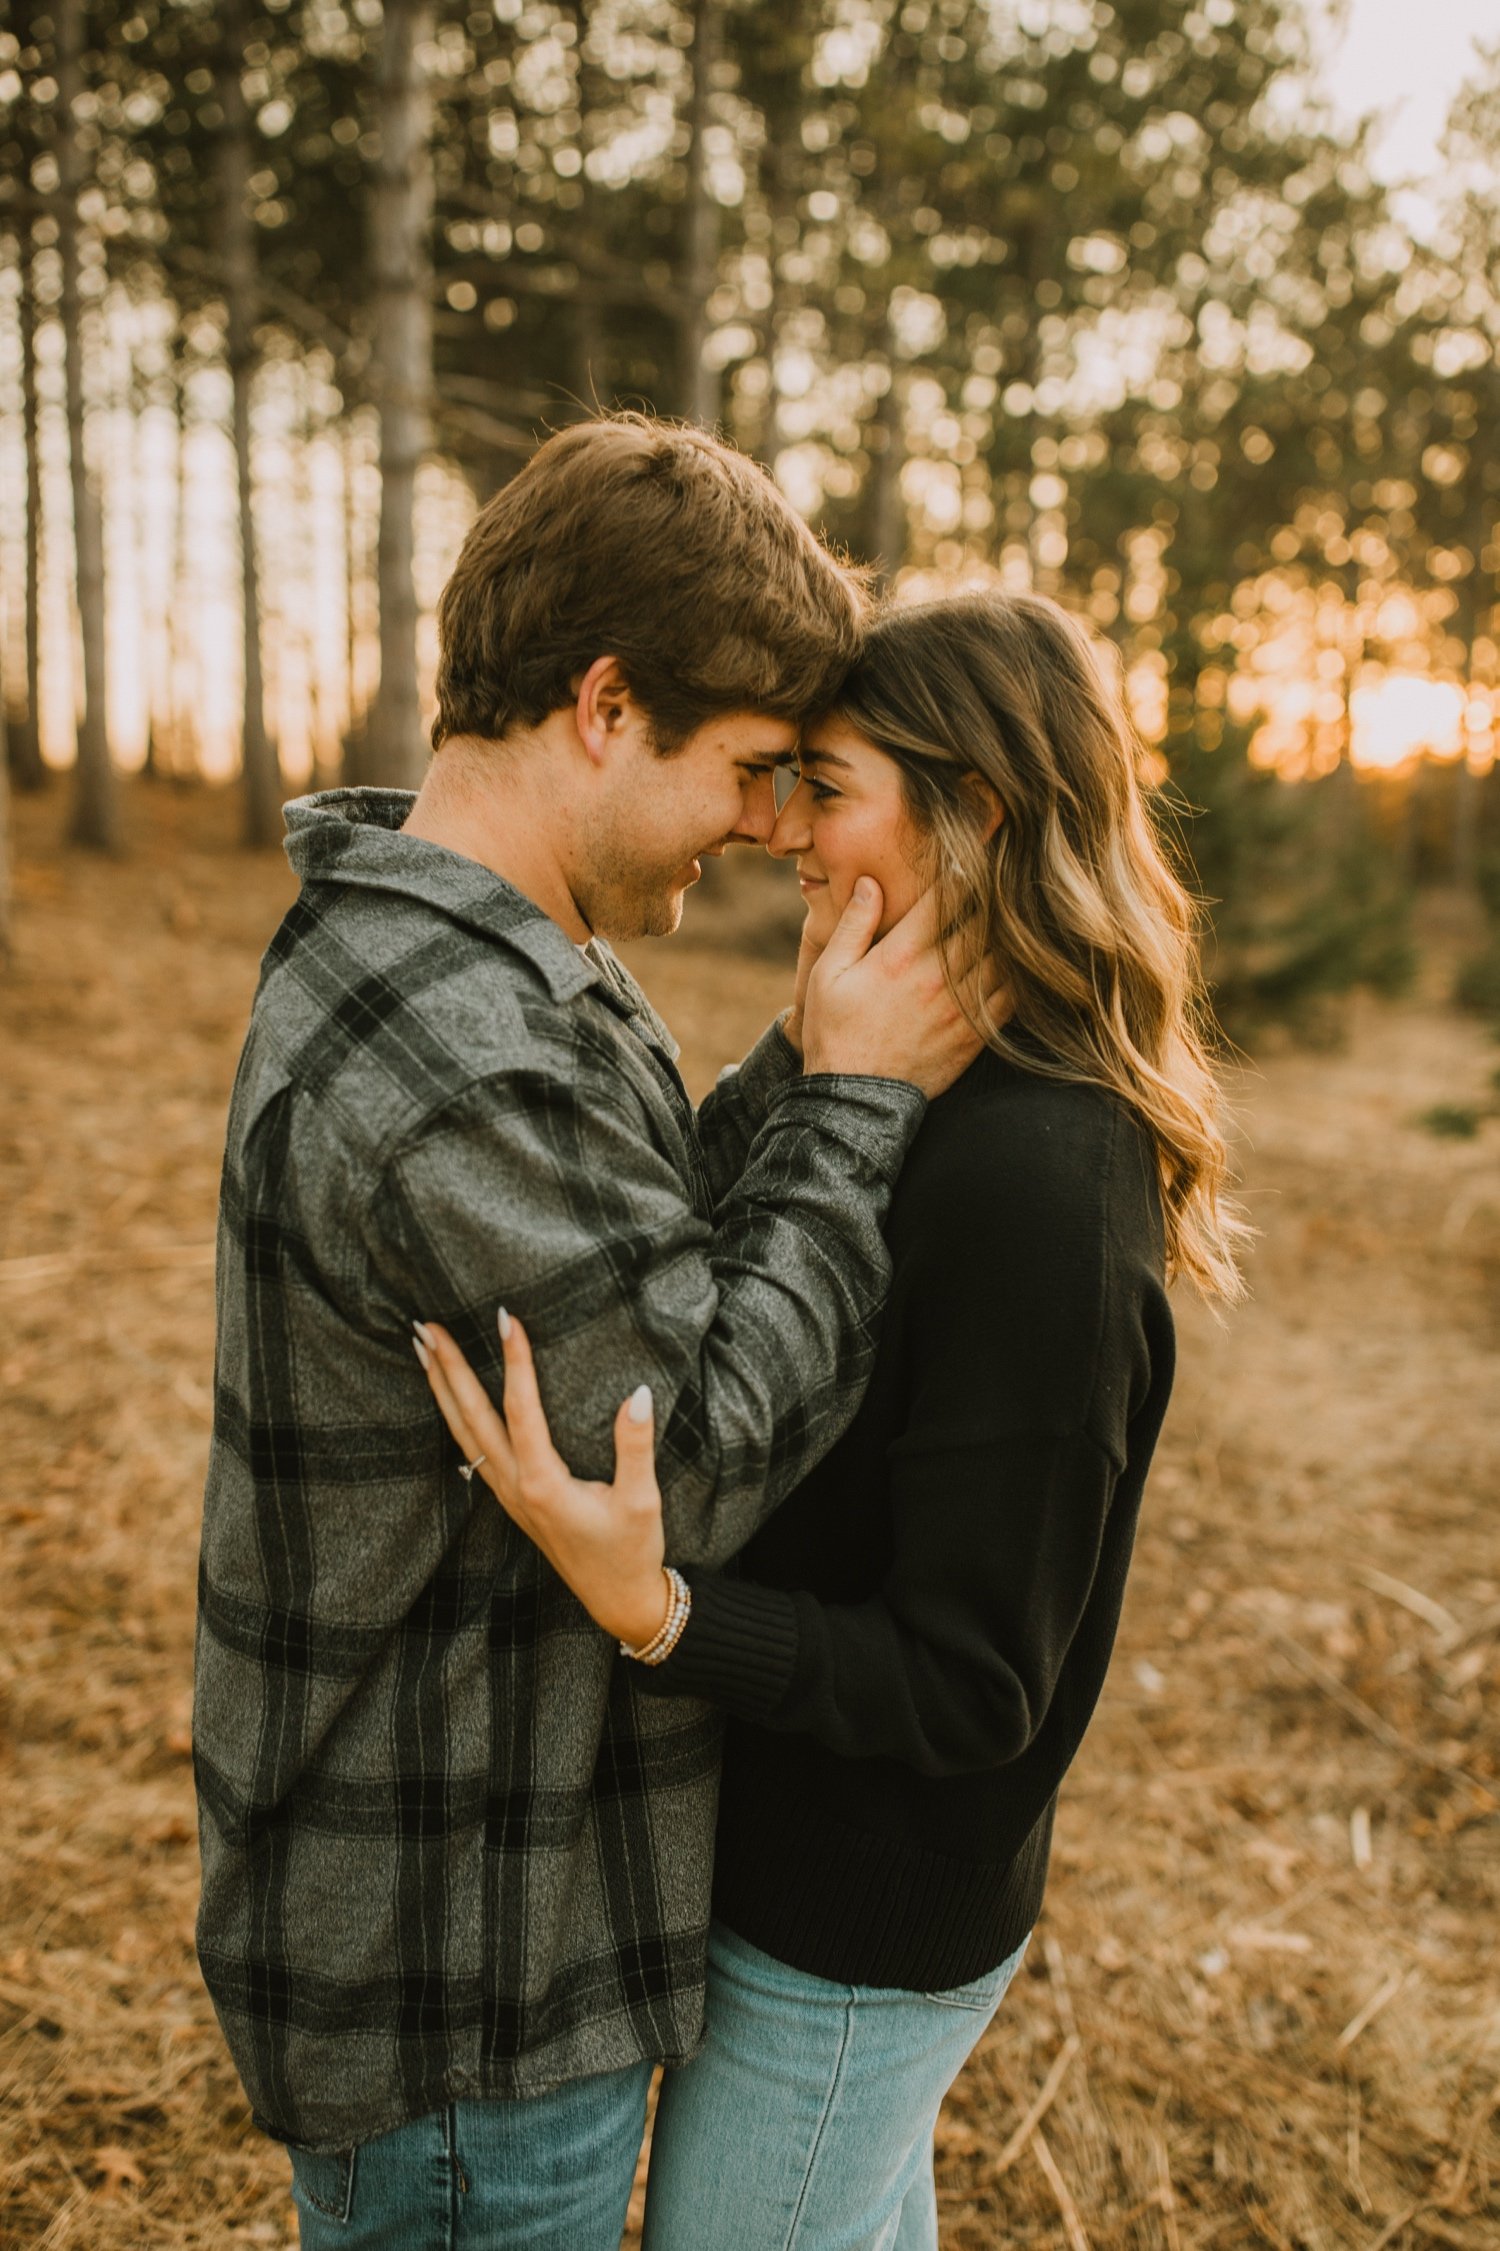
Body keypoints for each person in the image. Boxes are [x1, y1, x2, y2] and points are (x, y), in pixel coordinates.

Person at [192, 415, 994, 2251]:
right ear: (608, 705)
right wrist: (859, 1109)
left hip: (476, 1912)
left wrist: (799, 1059)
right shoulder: (457, 1056)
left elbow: (639, 1252)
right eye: (752, 768)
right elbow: (694, 1459)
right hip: (462, 1962)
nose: (779, 825)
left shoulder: (480, 952)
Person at [416, 588, 1248, 2251]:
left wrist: (659, 1613)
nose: (780, 833)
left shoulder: (1038, 1174)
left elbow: (974, 1682)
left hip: (855, 1934)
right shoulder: (916, 1085)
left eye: (829, 788)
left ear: (979, 816)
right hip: (775, 1865)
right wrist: (814, 1062)